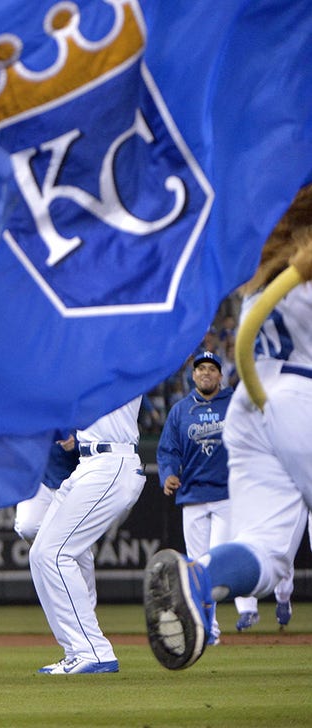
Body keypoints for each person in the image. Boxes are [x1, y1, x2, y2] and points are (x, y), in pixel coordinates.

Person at [145, 192, 312, 671]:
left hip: (252, 404)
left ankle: (199, 578)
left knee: (266, 551)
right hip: (302, 397)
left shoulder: (261, 280)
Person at [32, 397, 144, 674]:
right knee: (39, 554)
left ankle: (94, 651)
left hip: (113, 460)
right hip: (87, 463)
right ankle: (75, 650)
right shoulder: (84, 364)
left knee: (55, 554)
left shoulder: (121, 357)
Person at [157, 350, 252, 641]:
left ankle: (240, 609)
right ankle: (209, 629)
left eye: (211, 368)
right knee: (197, 566)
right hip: (193, 495)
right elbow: (168, 449)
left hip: (226, 494)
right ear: (193, 375)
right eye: (201, 369)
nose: (206, 373)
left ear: (220, 375)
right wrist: (168, 474)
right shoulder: (181, 410)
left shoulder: (235, 403)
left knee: (214, 562)